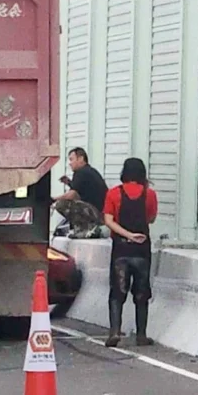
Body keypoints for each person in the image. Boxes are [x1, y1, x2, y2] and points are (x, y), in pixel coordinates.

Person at [102, 157, 158, 347]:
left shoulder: (113, 194)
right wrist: (136, 236)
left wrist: (127, 235)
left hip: (121, 250)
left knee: (117, 292)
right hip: (142, 250)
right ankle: (141, 335)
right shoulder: (150, 194)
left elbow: (108, 220)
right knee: (142, 293)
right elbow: (151, 218)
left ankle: (115, 331)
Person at [52, 147, 108, 238]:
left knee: (62, 204)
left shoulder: (80, 172)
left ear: (81, 158)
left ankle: (85, 229)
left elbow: (72, 195)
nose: (70, 163)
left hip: (97, 214)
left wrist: (53, 199)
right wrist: (69, 182)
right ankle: (86, 228)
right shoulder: (89, 171)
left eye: (71, 159)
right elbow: (82, 190)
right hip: (102, 213)